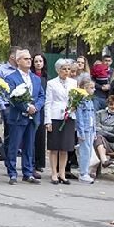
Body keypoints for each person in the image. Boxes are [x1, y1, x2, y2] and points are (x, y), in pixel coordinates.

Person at [4, 50, 45, 185]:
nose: (29, 60)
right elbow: (12, 97)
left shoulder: (35, 78)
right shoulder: (11, 77)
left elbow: (41, 96)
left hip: (33, 117)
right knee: (14, 145)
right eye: (25, 58)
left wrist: (36, 107)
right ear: (18, 61)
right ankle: (12, 173)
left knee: (29, 145)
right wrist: (26, 107)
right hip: (18, 116)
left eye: (30, 58)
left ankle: (28, 173)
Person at [44, 58, 77, 186]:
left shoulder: (73, 83)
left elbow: (75, 98)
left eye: (69, 69)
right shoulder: (52, 83)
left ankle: (62, 173)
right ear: (58, 70)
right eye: (64, 69)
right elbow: (48, 102)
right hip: (55, 116)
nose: (67, 71)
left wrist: (75, 106)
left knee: (65, 147)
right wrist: (48, 121)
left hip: (69, 116)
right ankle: (54, 172)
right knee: (54, 147)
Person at [93, 94, 114, 173]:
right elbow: (96, 126)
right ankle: (104, 160)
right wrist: (108, 129)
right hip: (96, 140)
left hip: (110, 142)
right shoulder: (100, 113)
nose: (113, 107)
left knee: (99, 138)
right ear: (107, 104)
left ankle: (93, 171)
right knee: (99, 139)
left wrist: (102, 128)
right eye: (111, 104)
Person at [74, 77, 98, 184]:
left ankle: (86, 172)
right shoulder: (81, 101)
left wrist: (94, 131)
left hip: (90, 129)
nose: (94, 89)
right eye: (91, 87)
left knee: (88, 152)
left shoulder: (90, 100)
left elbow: (93, 116)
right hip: (84, 130)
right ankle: (83, 173)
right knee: (84, 151)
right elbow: (79, 117)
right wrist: (81, 132)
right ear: (85, 88)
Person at [31, 53, 49, 175]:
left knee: (40, 137)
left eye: (40, 61)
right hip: (31, 107)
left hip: (42, 109)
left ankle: (39, 163)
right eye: (36, 61)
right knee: (31, 137)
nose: (38, 63)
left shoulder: (47, 77)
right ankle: (30, 162)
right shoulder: (30, 76)